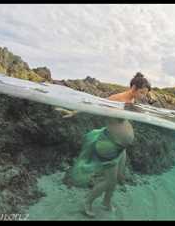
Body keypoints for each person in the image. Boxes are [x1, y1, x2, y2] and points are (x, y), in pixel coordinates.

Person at [56, 72, 151, 217]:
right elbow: (93, 104)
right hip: (108, 145)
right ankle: (87, 201)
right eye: (142, 92)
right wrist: (73, 112)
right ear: (133, 87)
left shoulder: (132, 100)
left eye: (145, 93)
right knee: (109, 181)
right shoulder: (116, 99)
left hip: (120, 147)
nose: (144, 96)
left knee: (119, 177)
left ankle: (106, 201)